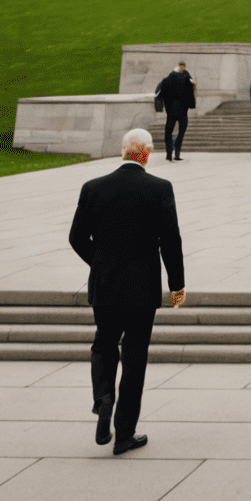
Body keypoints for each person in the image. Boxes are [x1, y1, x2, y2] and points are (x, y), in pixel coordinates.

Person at [68, 128, 185, 455]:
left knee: (104, 344)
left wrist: (101, 264)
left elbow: (76, 238)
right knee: (135, 358)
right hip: (142, 288)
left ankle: (103, 400)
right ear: (145, 153)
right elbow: (170, 241)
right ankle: (123, 434)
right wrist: (176, 284)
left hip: (105, 286)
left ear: (123, 151)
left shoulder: (93, 188)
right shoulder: (159, 188)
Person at [155, 61, 196, 162]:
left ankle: (169, 153)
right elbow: (192, 91)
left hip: (171, 112)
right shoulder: (187, 79)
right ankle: (177, 153)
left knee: (168, 131)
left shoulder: (167, 80)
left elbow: (158, 92)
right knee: (181, 132)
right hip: (182, 111)